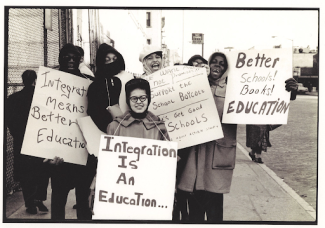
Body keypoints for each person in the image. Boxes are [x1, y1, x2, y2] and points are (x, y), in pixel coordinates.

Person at [177, 52, 298, 222]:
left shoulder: (234, 90)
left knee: (214, 213)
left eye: (222, 63)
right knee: (194, 215)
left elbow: (262, 109)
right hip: (193, 161)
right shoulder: (193, 88)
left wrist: (288, 95)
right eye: (214, 62)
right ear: (208, 65)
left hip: (217, 160)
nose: (217, 66)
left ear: (226, 69)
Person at [48, 43, 96, 220]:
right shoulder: (49, 81)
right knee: (59, 198)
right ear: (60, 59)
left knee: (83, 199)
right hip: (58, 152)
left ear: (79, 60)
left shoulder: (88, 82)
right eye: (66, 57)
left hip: (82, 150)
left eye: (74, 57)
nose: (70, 60)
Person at [6, 70, 50, 214]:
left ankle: (29, 203)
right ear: (35, 80)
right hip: (40, 139)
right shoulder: (42, 97)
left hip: (22, 140)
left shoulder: (12, 98)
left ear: (23, 80)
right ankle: (39, 199)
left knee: (26, 173)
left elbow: (8, 120)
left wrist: (17, 134)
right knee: (42, 170)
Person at [246, 79, 298, 164]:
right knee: (257, 135)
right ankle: (258, 156)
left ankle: (253, 153)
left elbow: (290, 97)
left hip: (266, 113)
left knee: (261, 135)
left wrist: (293, 90)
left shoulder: (277, 80)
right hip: (254, 113)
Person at [87, 43, 125, 132]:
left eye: (115, 59)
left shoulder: (125, 79)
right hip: (106, 131)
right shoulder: (95, 86)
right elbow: (94, 112)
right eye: (107, 60)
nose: (112, 62)